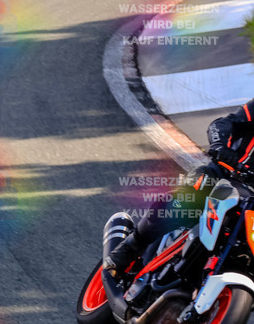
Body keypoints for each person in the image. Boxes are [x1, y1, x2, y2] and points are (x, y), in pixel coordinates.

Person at [104, 98, 254, 276]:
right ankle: (129, 248)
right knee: (188, 199)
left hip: (250, 202)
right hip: (224, 176)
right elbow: (222, 124)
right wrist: (220, 146)